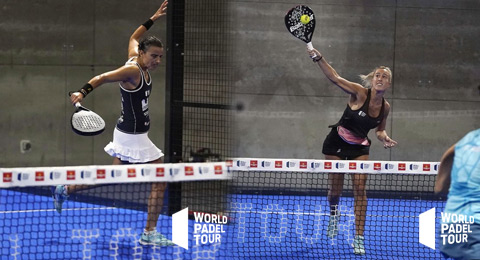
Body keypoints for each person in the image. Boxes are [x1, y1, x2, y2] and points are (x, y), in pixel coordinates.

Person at [52, 0, 174, 246]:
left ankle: (65, 189)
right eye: (154, 56)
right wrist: (82, 92)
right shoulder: (131, 71)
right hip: (132, 136)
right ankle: (149, 233)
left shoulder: (137, 56)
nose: (157, 61)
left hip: (132, 133)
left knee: (111, 176)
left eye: (160, 57)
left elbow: (134, 35)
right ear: (142, 54)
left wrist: (154, 17)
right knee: (160, 179)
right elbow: (102, 77)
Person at [307, 48, 397, 255]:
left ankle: (358, 238)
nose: (380, 78)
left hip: (359, 147)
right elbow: (335, 78)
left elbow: (380, 129)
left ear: (388, 84)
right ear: (372, 80)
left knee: (359, 188)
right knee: (335, 191)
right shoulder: (359, 92)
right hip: (336, 143)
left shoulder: (385, 107)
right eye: (378, 75)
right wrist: (318, 58)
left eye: (385, 77)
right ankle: (333, 214)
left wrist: (384, 137)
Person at [435, 129, 480, 260]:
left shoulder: (469, 138)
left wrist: (440, 184)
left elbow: (439, 189)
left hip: (450, 227)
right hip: (475, 229)